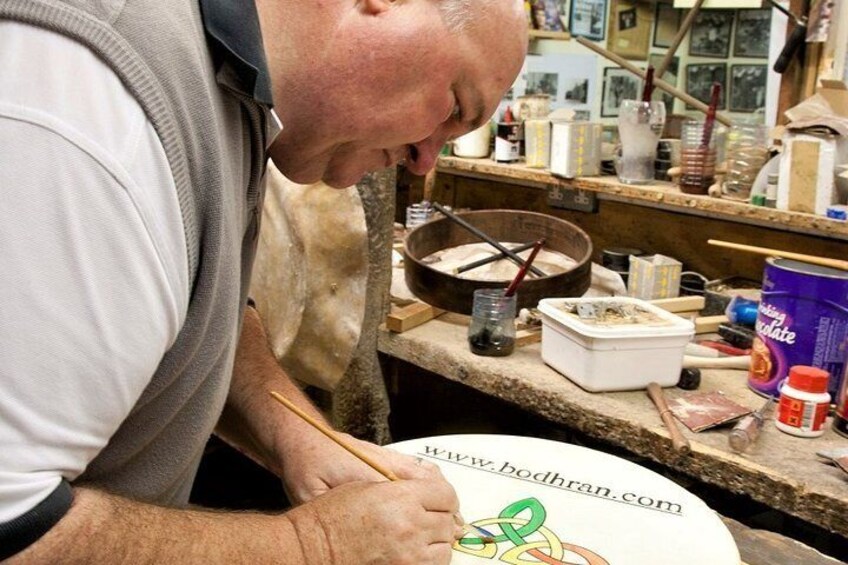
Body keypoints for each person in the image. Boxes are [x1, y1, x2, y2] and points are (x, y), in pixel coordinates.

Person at [0, 0, 527, 562]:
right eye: (455, 105)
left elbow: (198, 304)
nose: (426, 161)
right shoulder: (89, 111)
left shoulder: (237, 90)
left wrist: (295, 433)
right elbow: (14, 525)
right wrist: (315, 546)